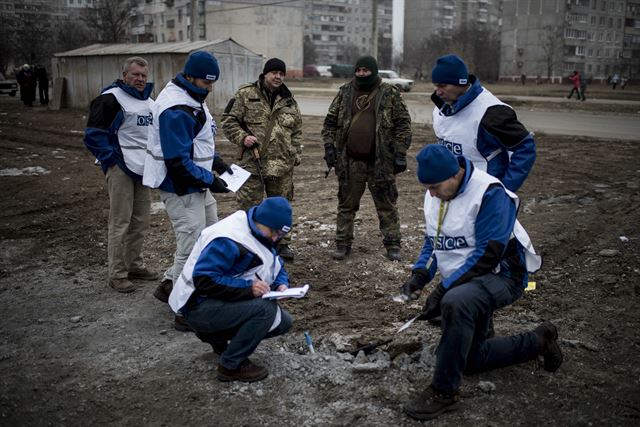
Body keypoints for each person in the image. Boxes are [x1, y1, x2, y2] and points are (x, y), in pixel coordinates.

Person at [400, 145, 562, 421]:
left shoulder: (489, 193)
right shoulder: (437, 192)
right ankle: (538, 341)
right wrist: (420, 275)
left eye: (435, 187)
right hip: (468, 279)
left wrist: (443, 288)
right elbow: (434, 240)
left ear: (456, 174)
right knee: (470, 360)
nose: (431, 194)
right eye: (426, 187)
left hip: (503, 274)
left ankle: (443, 391)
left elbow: (488, 255)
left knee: (456, 302)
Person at [144, 51, 232, 330]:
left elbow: (198, 141)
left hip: (195, 183)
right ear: (191, 77)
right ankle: (184, 309)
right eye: (206, 84)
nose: (210, 89)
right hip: (181, 187)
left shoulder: (192, 98)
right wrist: (211, 180)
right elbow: (177, 161)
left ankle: (170, 285)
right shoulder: (176, 108)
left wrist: (218, 164)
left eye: (212, 83)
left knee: (209, 235)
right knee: (191, 245)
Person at [169, 197, 294, 382]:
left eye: (280, 235)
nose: (276, 238)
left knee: (283, 321)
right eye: (274, 232)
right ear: (262, 222)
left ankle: (219, 341)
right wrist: (248, 288)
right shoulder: (229, 238)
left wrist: (281, 284)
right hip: (195, 306)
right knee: (265, 311)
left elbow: (275, 263)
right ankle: (231, 365)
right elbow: (204, 280)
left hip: (212, 302)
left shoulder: (260, 230)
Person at [321, 55, 412, 261]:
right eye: (358, 70)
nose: (361, 74)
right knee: (346, 204)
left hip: (380, 161)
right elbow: (330, 123)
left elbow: (403, 124)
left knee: (386, 204)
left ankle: (393, 245)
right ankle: (342, 244)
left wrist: (400, 152)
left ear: (374, 71)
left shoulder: (389, 93)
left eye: (366, 70)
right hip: (350, 161)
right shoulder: (345, 92)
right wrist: (329, 147)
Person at [83, 57, 157, 293]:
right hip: (121, 168)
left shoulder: (150, 102)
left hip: (143, 169)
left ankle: (134, 265)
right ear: (124, 75)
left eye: (143, 76)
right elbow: (93, 134)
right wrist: (110, 159)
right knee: (120, 222)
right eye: (135, 75)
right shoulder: (111, 99)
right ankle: (116, 273)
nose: (140, 79)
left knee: (141, 221)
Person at [221, 58, 302, 262]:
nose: (278, 77)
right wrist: (242, 137)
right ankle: (246, 243)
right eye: (274, 72)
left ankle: (282, 244)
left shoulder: (289, 101)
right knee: (248, 206)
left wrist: (295, 154)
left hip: (281, 166)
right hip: (251, 164)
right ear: (265, 74)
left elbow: (297, 131)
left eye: (282, 74)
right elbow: (228, 121)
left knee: (281, 207)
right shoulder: (246, 94)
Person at [430, 54, 535, 193]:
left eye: (443, 86)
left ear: (461, 82)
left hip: (484, 195)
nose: (438, 92)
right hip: (451, 192)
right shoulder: (441, 107)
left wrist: (504, 190)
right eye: (436, 86)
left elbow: (525, 148)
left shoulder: (491, 113)